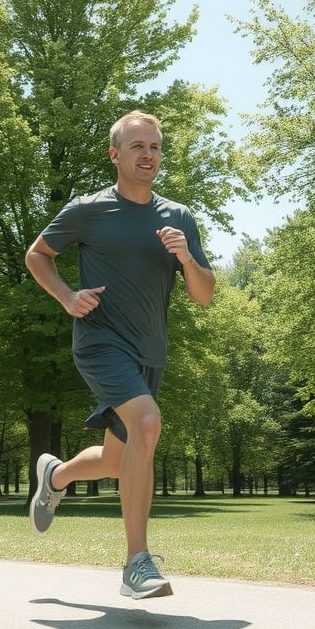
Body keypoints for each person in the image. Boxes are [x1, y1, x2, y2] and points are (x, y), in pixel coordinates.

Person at [24, 110, 215, 599]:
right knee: (147, 424)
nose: (148, 154)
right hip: (100, 341)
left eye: (155, 147)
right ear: (115, 154)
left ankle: (57, 475)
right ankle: (136, 563)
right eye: (137, 146)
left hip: (150, 352)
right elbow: (37, 254)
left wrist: (186, 257)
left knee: (118, 458)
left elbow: (203, 295)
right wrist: (67, 296)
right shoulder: (88, 210)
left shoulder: (178, 217)